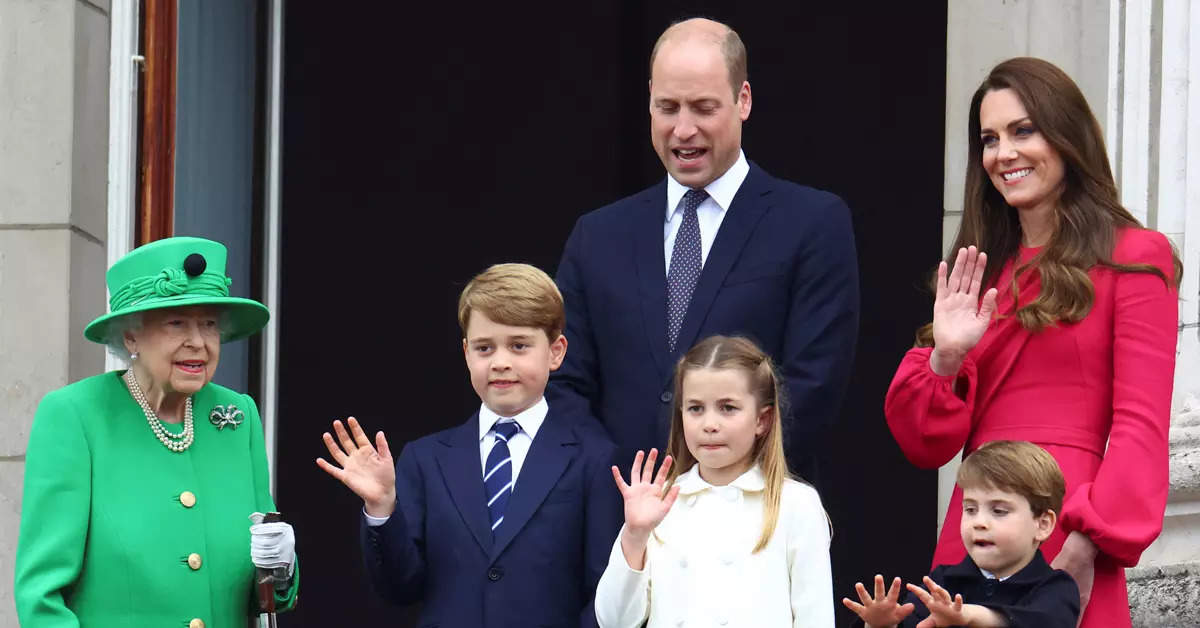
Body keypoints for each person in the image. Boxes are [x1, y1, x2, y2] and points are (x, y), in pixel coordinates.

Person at [884, 57, 1180, 628]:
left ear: (1068, 136)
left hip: (1068, 522)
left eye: (1024, 130)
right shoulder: (981, 270)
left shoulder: (1137, 256)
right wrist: (944, 357)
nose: (1004, 153)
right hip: (977, 531)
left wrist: (1091, 539)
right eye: (990, 139)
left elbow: (1141, 425)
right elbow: (924, 445)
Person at [551, 17, 859, 489]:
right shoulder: (597, 235)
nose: (684, 129)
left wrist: (714, 484)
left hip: (752, 520)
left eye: (703, 107)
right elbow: (565, 381)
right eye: (668, 107)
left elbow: (812, 386)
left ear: (744, 100)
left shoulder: (811, 223)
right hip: (623, 516)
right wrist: (619, 478)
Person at [317, 263, 622, 628]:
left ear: (556, 352)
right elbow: (400, 587)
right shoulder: (425, 459)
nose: (500, 363)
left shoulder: (594, 459)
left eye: (519, 346)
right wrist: (382, 508)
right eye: (484, 348)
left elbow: (604, 592)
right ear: (466, 353)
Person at [14, 236, 299, 628]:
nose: (197, 342)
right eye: (177, 323)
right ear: (131, 336)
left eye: (209, 324)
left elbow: (262, 593)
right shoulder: (75, 417)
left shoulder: (237, 418)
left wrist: (279, 568)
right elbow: (41, 598)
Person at [594, 335, 833, 627]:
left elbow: (816, 618)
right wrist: (635, 536)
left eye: (727, 408)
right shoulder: (661, 502)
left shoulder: (795, 503)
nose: (709, 424)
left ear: (763, 419)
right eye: (695, 408)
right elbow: (614, 621)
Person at [845, 440, 1079, 628]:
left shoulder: (1056, 587)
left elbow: (1045, 622)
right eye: (970, 509)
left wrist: (971, 615)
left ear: (1043, 524)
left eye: (998, 511)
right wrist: (881, 625)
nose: (979, 522)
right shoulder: (943, 582)